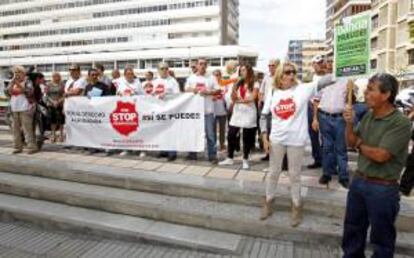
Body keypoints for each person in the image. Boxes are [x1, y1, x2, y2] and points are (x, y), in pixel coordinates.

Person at [342, 73, 411, 257]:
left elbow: (381, 155)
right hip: (358, 182)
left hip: (383, 189)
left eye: (370, 89)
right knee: (352, 231)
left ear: (386, 94)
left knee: (382, 239)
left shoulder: (401, 123)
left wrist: (358, 144)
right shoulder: (368, 116)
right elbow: (350, 141)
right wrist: (349, 123)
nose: (365, 93)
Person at [259, 61, 330, 226]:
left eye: (293, 72)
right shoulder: (273, 92)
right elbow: (264, 116)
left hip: (296, 140)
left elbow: (325, 81)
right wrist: (264, 137)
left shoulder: (303, 89)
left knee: (294, 175)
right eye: (287, 72)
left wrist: (344, 71)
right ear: (279, 75)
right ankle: (268, 203)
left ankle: (296, 206)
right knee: (273, 173)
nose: (291, 75)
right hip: (277, 139)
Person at [312, 71, 351, 188]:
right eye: (329, 62)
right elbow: (316, 100)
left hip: (340, 118)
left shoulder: (348, 80)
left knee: (341, 148)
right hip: (324, 117)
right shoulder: (324, 81)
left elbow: (353, 99)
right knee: (327, 147)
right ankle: (326, 173)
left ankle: (343, 176)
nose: (330, 64)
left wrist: (351, 89)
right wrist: (315, 119)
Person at [219, 64, 258, 169]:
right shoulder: (238, 82)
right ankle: (229, 158)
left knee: (247, 137)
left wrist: (239, 101)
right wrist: (234, 87)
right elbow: (233, 97)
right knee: (231, 134)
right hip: (237, 112)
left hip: (249, 112)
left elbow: (252, 98)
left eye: (244, 70)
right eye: (240, 71)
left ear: (249, 71)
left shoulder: (255, 83)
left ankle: (245, 159)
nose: (242, 72)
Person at [185, 59, 221, 164]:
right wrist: (194, 90)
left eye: (205, 64)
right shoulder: (191, 78)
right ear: (196, 65)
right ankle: (192, 154)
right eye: (200, 64)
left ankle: (212, 155)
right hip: (195, 112)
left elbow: (218, 90)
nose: (202, 66)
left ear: (207, 66)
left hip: (207, 111)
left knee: (210, 135)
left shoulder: (212, 78)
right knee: (193, 133)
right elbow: (186, 89)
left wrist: (208, 92)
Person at [5, 66, 38, 154]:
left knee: (27, 129)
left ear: (23, 73)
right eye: (15, 73)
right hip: (14, 108)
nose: (16, 74)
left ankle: (32, 147)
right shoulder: (13, 82)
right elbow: (7, 92)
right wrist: (12, 83)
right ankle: (17, 147)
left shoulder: (27, 81)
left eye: (18, 72)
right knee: (15, 129)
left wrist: (19, 84)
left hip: (25, 108)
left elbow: (29, 91)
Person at [115, 67, 144, 156]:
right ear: (125, 75)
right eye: (128, 74)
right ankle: (127, 148)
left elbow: (143, 95)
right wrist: (119, 94)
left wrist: (134, 95)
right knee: (127, 129)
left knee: (138, 129)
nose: (130, 75)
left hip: (136, 109)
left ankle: (141, 149)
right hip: (125, 110)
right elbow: (117, 94)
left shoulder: (138, 83)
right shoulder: (121, 84)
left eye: (131, 73)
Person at [259, 59, 280, 162]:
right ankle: (268, 153)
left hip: (277, 109)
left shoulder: (280, 78)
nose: (271, 67)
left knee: (274, 132)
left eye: (273, 65)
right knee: (266, 131)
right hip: (266, 108)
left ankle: (276, 156)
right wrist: (260, 101)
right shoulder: (266, 77)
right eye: (269, 65)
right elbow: (261, 91)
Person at [307, 55, 325, 169]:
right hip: (311, 107)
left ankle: (326, 160)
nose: (318, 65)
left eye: (320, 63)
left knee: (324, 136)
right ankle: (317, 159)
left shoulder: (328, 77)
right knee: (313, 136)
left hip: (322, 108)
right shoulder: (311, 77)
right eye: (316, 63)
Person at [44, 72, 65, 142]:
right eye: (54, 76)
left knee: (61, 120)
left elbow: (64, 95)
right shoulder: (48, 84)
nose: (56, 78)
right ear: (52, 77)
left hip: (60, 104)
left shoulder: (62, 84)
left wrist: (59, 101)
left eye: (57, 76)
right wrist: (53, 102)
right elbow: (46, 95)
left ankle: (61, 135)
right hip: (51, 104)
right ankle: (53, 134)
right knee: (53, 120)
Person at [213, 69, 228, 152]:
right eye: (215, 75)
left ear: (221, 75)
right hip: (213, 110)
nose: (217, 76)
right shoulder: (211, 85)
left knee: (222, 130)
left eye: (218, 74)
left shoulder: (224, 84)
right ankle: (214, 145)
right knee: (213, 130)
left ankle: (222, 145)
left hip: (223, 110)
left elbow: (227, 95)